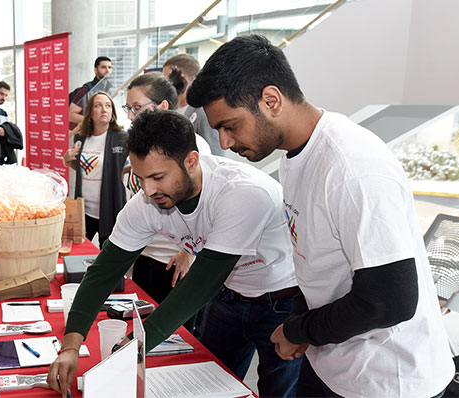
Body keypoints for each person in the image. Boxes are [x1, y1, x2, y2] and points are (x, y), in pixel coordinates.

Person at [187, 34, 454, 397]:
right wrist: (299, 323)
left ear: (271, 100)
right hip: (333, 363)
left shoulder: (352, 166)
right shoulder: (296, 156)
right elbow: (316, 263)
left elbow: (391, 299)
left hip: (387, 379)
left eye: (230, 125)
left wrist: (299, 330)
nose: (224, 143)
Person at [48, 108, 302, 397]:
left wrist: (135, 345)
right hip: (227, 294)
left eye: (157, 177)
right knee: (208, 385)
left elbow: (199, 286)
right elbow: (103, 273)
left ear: (191, 161)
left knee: (279, 390)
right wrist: (70, 346)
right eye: (140, 177)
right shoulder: (145, 203)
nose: (147, 190)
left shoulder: (243, 194)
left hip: (280, 299)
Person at [121, 73, 209, 339]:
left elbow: (203, 206)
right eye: (128, 108)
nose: (131, 115)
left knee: (171, 337)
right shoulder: (138, 147)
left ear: (162, 107)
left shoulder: (193, 147)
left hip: (174, 262)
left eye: (138, 108)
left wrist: (189, 252)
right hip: (146, 256)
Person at [62, 91, 127, 246]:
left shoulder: (122, 138)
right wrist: (67, 160)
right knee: (78, 252)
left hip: (110, 208)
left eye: (108, 106)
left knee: (107, 257)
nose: (104, 109)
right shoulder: (81, 138)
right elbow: (82, 168)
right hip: (84, 210)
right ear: (90, 113)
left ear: (112, 112)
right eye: (98, 105)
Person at [163, 54, 224, 156]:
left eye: (168, 80)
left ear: (182, 77)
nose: (165, 85)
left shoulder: (204, 113)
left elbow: (215, 155)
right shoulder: (170, 110)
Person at [68, 56, 113, 131]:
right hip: (84, 134)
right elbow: (71, 115)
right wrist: (94, 121)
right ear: (95, 70)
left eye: (109, 67)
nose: (107, 70)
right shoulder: (86, 90)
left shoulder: (109, 90)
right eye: (103, 67)